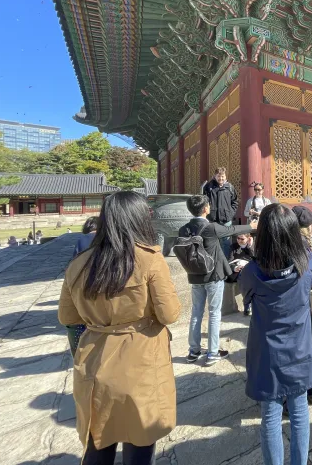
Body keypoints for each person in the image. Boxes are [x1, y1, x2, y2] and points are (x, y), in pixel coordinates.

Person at [57, 191, 180, 465]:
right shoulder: (150, 260)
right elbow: (170, 313)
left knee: (98, 443)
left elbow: (67, 315)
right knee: (140, 441)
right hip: (141, 358)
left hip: (95, 358)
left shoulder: (78, 264)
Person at [240, 204, 312, 465]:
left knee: (271, 415)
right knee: (299, 411)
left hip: (267, 350)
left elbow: (247, 298)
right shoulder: (306, 262)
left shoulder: (252, 271)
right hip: (299, 345)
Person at [179, 195, 255, 365]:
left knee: (196, 313)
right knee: (214, 314)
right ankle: (212, 352)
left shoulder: (184, 229)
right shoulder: (210, 228)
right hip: (213, 276)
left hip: (194, 276)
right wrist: (252, 226)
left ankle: (194, 351)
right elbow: (232, 230)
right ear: (206, 208)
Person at [291, 205, 312, 406]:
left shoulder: (291, 246)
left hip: (295, 303)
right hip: (311, 300)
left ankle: (296, 389)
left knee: (295, 348)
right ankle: (311, 388)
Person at [202, 167, 239, 258]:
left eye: (222, 176)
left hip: (226, 219)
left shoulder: (229, 187)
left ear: (225, 176)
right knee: (212, 241)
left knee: (226, 242)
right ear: (215, 176)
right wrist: (208, 214)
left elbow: (235, 201)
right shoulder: (209, 187)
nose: (221, 178)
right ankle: (213, 261)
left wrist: (230, 213)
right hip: (212, 219)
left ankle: (226, 262)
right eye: (219, 176)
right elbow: (204, 202)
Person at [227, 233, 257, 315]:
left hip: (251, 270)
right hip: (239, 272)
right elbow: (229, 261)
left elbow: (256, 259)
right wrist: (234, 268)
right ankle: (247, 305)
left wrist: (250, 247)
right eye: (238, 238)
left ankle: (248, 305)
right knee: (243, 277)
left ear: (248, 238)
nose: (239, 240)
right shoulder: (233, 247)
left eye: (242, 239)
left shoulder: (253, 246)